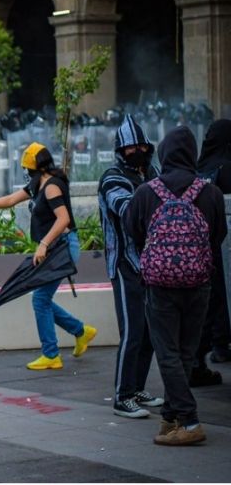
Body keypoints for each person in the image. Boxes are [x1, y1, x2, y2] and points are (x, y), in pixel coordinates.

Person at [126, 126, 226, 446]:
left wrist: (161, 257)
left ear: (165, 153)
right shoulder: (208, 192)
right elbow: (218, 236)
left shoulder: (146, 191)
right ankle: (170, 418)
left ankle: (190, 420)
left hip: (160, 285)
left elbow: (133, 231)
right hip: (199, 283)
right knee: (185, 351)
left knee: (167, 352)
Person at [0, 143, 97, 371]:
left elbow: (63, 218)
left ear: (37, 168)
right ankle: (80, 331)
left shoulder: (51, 187)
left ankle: (51, 354)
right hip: (54, 247)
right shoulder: (38, 184)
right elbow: (10, 200)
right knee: (42, 299)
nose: (27, 174)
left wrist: (43, 244)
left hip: (61, 247)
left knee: (39, 299)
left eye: (28, 170)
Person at [97, 115, 165, 418]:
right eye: (130, 147)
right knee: (133, 331)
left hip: (151, 263)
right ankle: (122, 396)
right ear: (120, 150)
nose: (136, 150)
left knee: (150, 332)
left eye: (140, 145)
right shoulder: (113, 177)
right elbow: (126, 210)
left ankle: (136, 388)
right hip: (125, 263)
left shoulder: (152, 172)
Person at [192, 118, 231, 378]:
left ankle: (203, 357)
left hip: (197, 248)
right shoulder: (226, 168)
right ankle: (220, 345)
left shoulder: (198, 170)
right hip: (220, 245)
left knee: (208, 302)